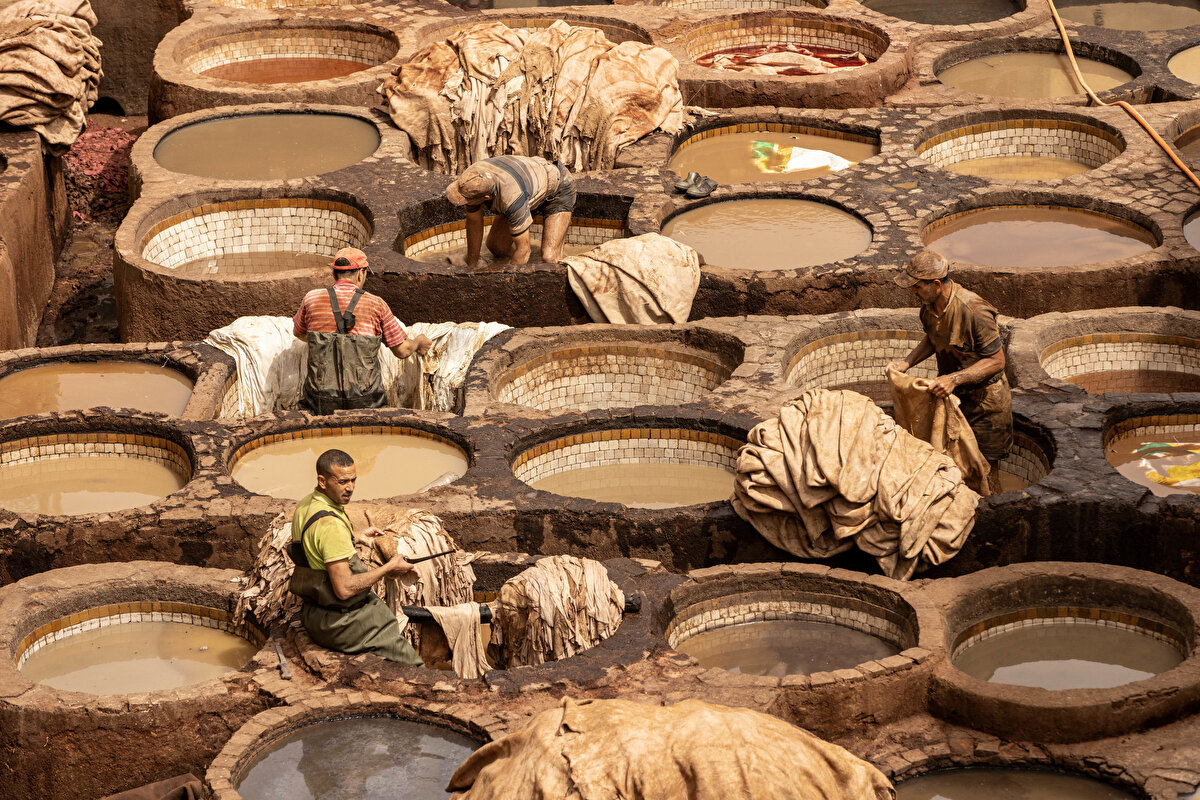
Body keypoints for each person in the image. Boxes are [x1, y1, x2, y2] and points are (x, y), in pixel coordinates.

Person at [887, 251, 1013, 494]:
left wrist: (953, 379)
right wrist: (906, 363)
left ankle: (993, 513)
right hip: (955, 399)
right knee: (955, 464)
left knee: (986, 470)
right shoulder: (929, 307)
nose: (913, 292)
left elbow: (997, 361)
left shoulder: (974, 311)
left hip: (986, 404)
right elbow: (933, 339)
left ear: (936, 284)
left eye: (916, 286)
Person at [287, 448, 424, 666]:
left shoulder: (306, 505)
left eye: (353, 480)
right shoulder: (331, 527)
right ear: (322, 481)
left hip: (313, 613)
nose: (350, 488)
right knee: (413, 665)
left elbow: (316, 542)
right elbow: (344, 589)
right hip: (341, 622)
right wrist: (389, 568)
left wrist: (355, 537)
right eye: (342, 482)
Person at [293, 247, 431, 414]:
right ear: (361, 273)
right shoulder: (376, 304)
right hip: (366, 399)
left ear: (333, 274)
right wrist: (419, 342)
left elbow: (299, 332)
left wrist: (324, 340)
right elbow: (402, 350)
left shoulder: (312, 298)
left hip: (320, 398)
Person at [443, 155, 576, 267]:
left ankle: (570, 262)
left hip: (558, 187)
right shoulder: (470, 180)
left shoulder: (511, 198)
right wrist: (471, 265)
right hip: (528, 187)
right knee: (496, 247)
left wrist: (505, 282)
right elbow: (473, 221)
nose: (463, 202)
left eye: (466, 200)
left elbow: (524, 250)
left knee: (549, 259)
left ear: (486, 198)